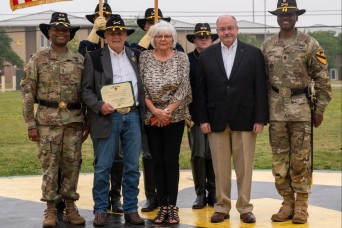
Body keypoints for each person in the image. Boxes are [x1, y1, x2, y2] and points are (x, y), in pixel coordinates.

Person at [261, 0, 332, 224]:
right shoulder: (268, 46)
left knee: (301, 160)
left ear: (296, 17)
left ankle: (301, 205)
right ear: (277, 18)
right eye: (281, 14)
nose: (285, 18)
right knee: (280, 160)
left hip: (301, 109)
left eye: (289, 14)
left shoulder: (310, 44)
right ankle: (287, 203)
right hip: (275, 110)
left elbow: (322, 80)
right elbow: (261, 81)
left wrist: (319, 110)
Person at [196, 15, 269, 224]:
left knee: (244, 167)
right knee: (220, 168)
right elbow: (201, 91)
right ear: (216, 32)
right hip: (216, 119)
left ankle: (245, 207)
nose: (226, 32)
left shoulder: (253, 53)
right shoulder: (207, 55)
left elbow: (260, 88)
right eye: (222, 29)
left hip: (246, 118)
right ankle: (221, 206)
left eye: (230, 28)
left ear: (236, 29)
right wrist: (202, 119)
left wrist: (260, 118)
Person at [21, 12, 86, 227]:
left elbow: (87, 92)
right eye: (56, 29)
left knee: (72, 165)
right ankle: (50, 209)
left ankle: (70, 206)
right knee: (49, 166)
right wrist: (30, 124)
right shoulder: (37, 59)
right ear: (49, 33)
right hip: (47, 122)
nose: (61, 32)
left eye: (64, 29)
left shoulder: (79, 59)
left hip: (74, 121)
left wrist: (88, 122)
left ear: (70, 34)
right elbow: (28, 93)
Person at [81, 15, 145, 226]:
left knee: (132, 167)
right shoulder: (94, 57)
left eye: (120, 32)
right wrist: (100, 106)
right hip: (107, 116)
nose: (116, 36)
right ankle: (100, 209)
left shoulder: (136, 55)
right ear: (105, 36)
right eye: (112, 33)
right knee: (103, 166)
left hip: (133, 115)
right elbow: (86, 91)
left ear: (126, 35)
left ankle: (131, 209)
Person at [139, 20, 192, 224]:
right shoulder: (144, 57)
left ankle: (172, 206)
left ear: (173, 39)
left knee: (171, 161)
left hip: (174, 116)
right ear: (153, 39)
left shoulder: (181, 57)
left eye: (167, 36)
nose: (163, 39)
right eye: (159, 36)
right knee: (157, 162)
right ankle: (161, 206)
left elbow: (184, 86)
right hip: (151, 117)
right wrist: (154, 111)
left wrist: (167, 111)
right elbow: (141, 86)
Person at [78, 3, 124, 213]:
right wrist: (96, 32)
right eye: (99, 17)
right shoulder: (90, 44)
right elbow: (83, 57)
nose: (102, 18)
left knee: (119, 157)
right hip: (98, 110)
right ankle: (102, 200)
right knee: (102, 158)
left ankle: (116, 196)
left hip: (120, 108)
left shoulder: (117, 42)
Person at [186, 23, 218, 209]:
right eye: (200, 37)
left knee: (214, 154)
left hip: (216, 114)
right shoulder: (187, 59)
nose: (203, 39)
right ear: (194, 40)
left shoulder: (219, 57)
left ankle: (213, 192)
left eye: (207, 36)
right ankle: (200, 193)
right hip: (194, 114)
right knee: (198, 154)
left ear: (212, 39)